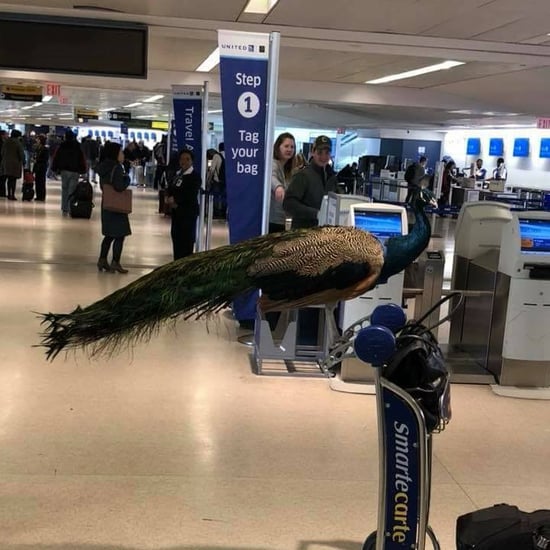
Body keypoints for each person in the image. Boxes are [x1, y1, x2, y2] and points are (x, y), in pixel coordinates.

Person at [283, 135, 339, 229]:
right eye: (320, 152)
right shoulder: (303, 175)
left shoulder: (332, 177)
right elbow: (288, 204)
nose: (323, 156)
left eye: (327, 153)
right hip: (303, 234)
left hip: (324, 233)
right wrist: (316, 213)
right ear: (313, 152)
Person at [95, 142, 132, 274]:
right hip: (117, 206)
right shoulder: (116, 168)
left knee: (109, 235)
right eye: (121, 152)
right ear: (115, 154)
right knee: (120, 235)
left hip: (107, 204)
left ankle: (102, 259)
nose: (123, 154)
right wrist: (127, 178)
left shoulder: (103, 167)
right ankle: (115, 262)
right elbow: (119, 186)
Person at [165, 149, 202, 260]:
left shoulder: (194, 176)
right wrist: (168, 197)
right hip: (177, 214)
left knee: (186, 241)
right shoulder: (178, 174)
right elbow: (171, 187)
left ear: (191, 161)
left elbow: (190, 194)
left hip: (187, 214)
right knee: (176, 239)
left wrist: (176, 200)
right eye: (181, 159)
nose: (184, 161)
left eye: (187, 159)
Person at [51, 129, 86, 215]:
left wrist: (54, 168)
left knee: (64, 189)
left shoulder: (62, 146)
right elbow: (82, 158)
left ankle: (64, 208)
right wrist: (83, 170)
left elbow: (57, 157)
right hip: (75, 171)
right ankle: (71, 208)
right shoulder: (78, 146)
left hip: (64, 170)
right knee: (72, 190)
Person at [269, 132, 296, 233]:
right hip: (272, 219)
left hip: (280, 219)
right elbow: (272, 176)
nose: (289, 149)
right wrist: (278, 187)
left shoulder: (287, 169)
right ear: (278, 147)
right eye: (286, 146)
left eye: (292, 147)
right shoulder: (273, 163)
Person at [0, 129, 25, 201]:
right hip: (15, 163)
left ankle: (8, 194)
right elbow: (21, 154)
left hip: (5, 163)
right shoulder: (18, 143)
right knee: (13, 180)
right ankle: (12, 195)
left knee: (8, 179)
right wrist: (23, 161)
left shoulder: (6, 142)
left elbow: (2, 152)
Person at [33, 135, 49, 201]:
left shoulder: (45, 149)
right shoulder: (38, 148)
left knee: (41, 182)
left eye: (38, 139)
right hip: (38, 166)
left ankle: (41, 196)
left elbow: (45, 159)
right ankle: (38, 195)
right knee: (37, 181)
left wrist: (37, 159)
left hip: (42, 167)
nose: (37, 140)